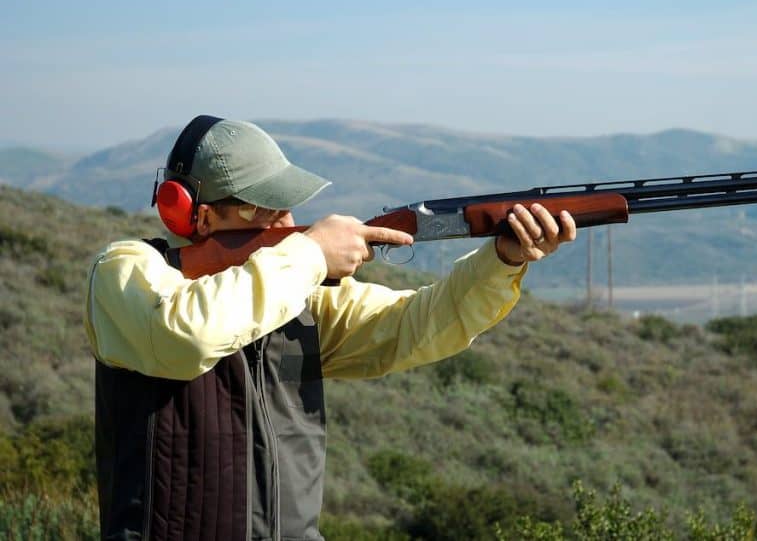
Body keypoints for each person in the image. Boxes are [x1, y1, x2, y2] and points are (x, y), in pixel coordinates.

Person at [85, 115, 576, 540]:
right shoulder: (128, 272)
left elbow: (419, 325)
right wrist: (310, 254)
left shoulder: (299, 293)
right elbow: (190, 334)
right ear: (197, 214)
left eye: (287, 204)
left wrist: (502, 260)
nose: (288, 221)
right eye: (265, 208)